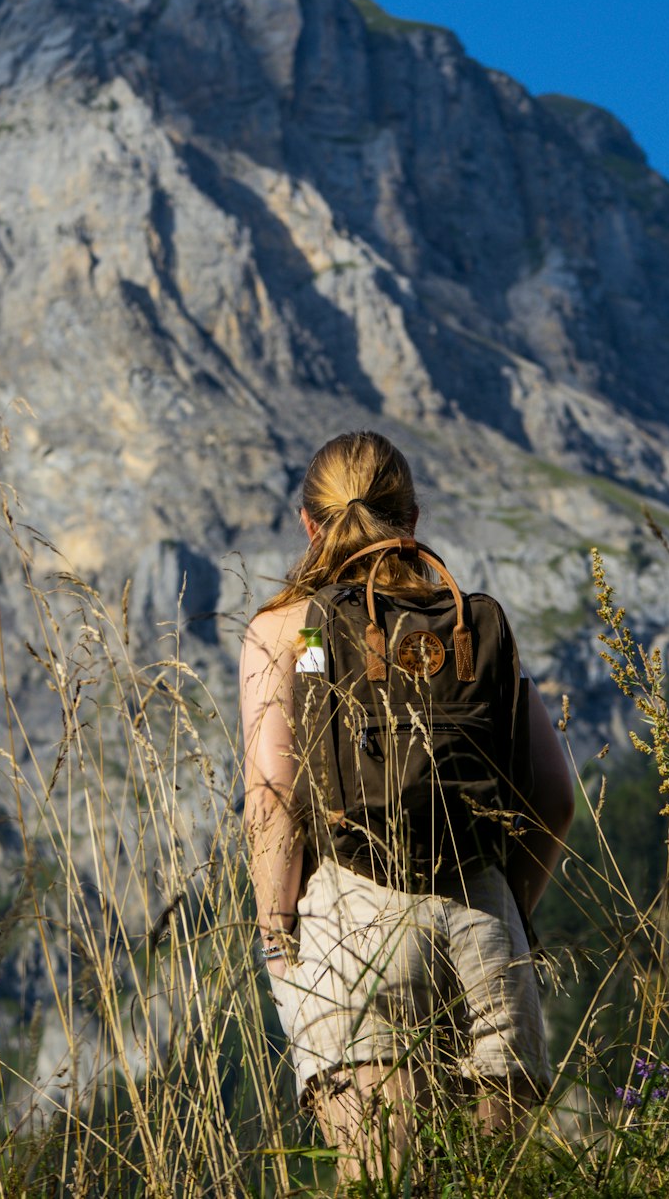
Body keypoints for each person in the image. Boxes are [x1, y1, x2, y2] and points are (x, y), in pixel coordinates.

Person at [240, 431, 574, 1185]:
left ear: (309, 525)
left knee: (383, 1182)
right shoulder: (467, 625)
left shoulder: (286, 630)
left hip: (355, 931)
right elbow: (554, 799)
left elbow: (273, 800)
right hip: (484, 924)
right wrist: (508, 908)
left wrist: (276, 934)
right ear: (412, 518)